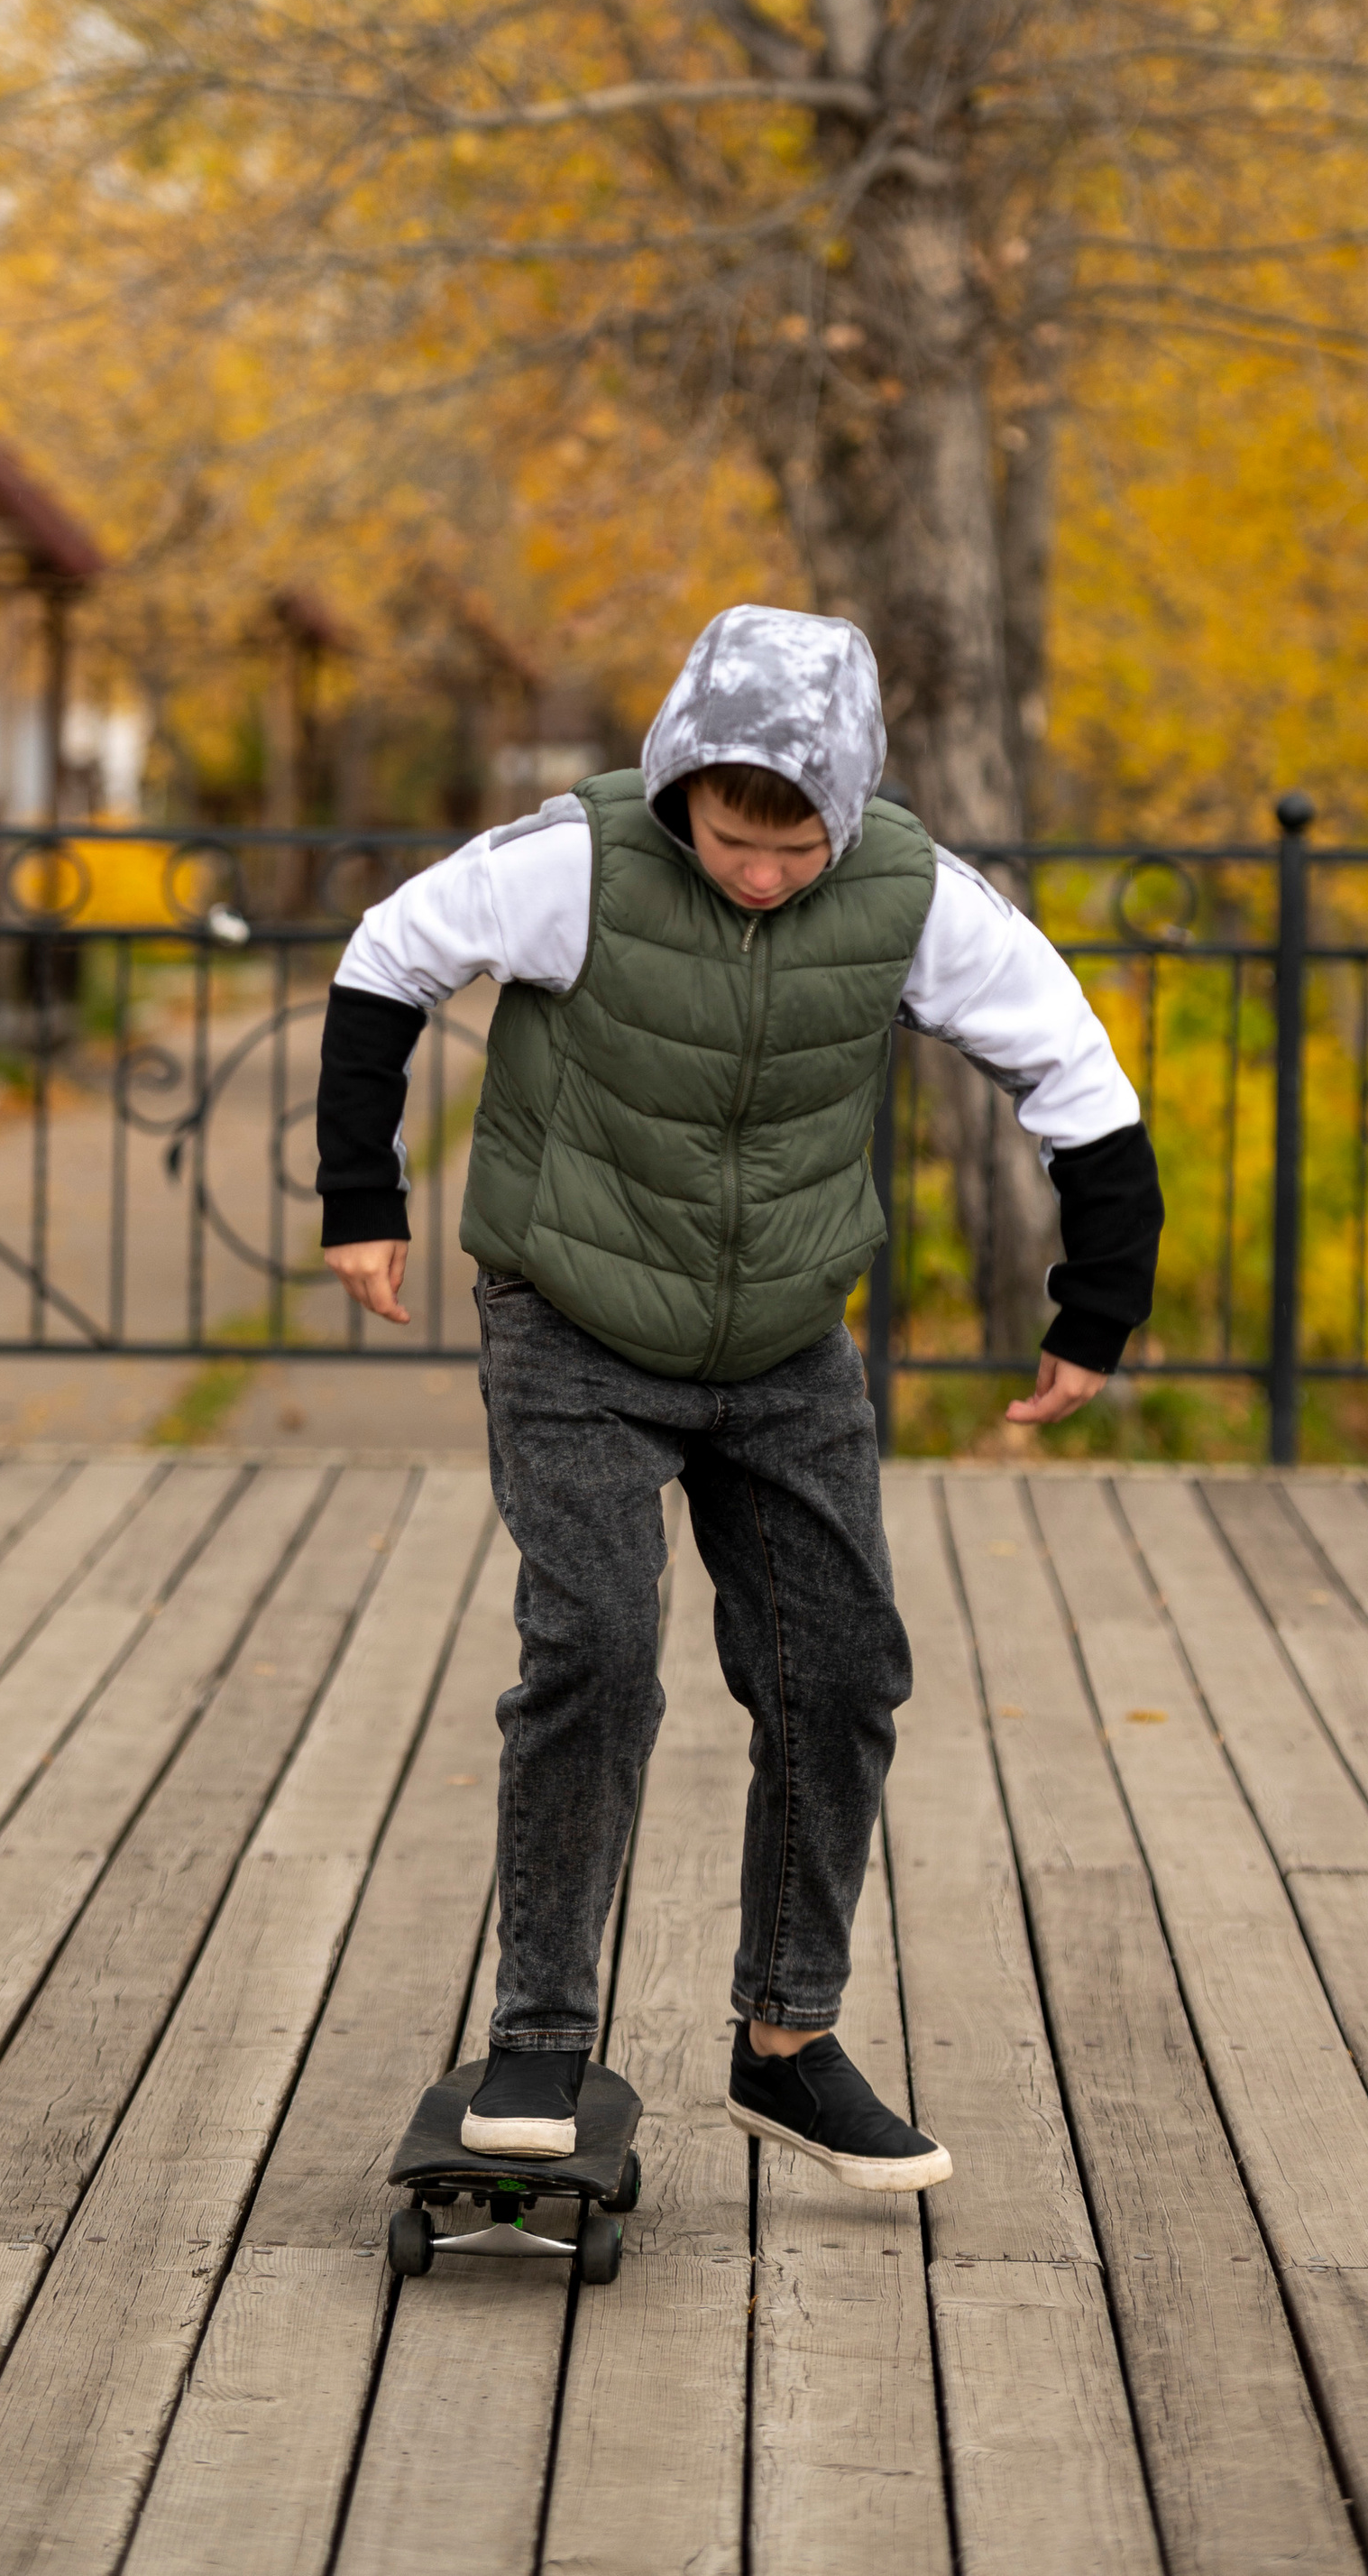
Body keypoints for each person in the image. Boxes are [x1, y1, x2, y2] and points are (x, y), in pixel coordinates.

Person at [317, 603, 1163, 2189]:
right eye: (730, 836)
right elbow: (387, 960)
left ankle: (787, 2040)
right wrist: (361, 1195)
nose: (760, 873)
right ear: (681, 786)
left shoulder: (917, 897)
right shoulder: (580, 858)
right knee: (595, 1648)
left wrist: (1096, 1308)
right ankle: (543, 2038)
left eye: (796, 848)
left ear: (845, 814)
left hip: (781, 1345)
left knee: (841, 1672)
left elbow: (1076, 1078)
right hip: (570, 1319)